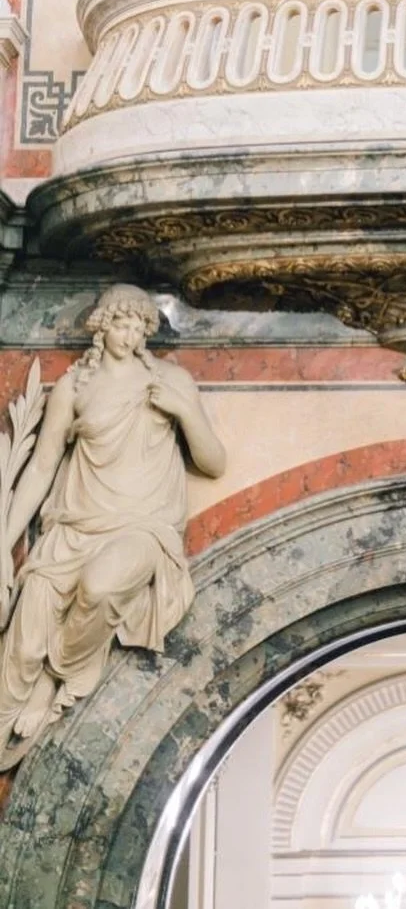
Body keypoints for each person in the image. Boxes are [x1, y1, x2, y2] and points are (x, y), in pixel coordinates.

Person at [0, 284, 225, 768]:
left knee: (100, 589)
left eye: (139, 326)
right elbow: (41, 467)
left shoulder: (169, 381)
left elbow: (213, 462)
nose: (130, 334)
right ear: (102, 326)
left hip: (143, 528)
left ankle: (53, 678)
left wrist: (184, 410)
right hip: (75, 526)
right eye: (120, 324)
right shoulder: (75, 386)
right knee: (24, 636)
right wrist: (4, 539)